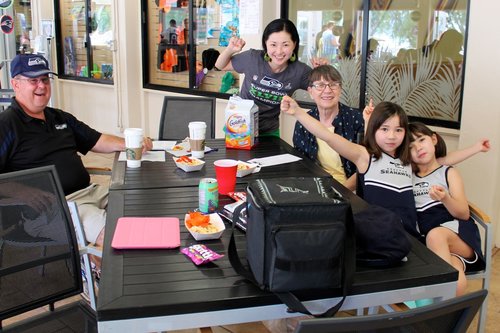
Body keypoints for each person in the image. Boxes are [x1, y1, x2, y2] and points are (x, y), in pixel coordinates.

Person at [0, 54, 152, 262]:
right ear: (15, 84)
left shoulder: (59, 117)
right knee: (114, 233)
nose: (41, 86)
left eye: (45, 79)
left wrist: (132, 143)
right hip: (52, 208)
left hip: (90, 192)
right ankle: (102, 283)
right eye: (33, 80)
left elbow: (96, 140)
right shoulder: (7, 124)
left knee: (140, 204)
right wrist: (21, 191)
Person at [283, 98, 422, 237]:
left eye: (398, 130)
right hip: (380, 234)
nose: (391, 136)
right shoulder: (365, 156)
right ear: (375, 129)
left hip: (410, 236)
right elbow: (328, 136)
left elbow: (439, 156)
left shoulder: (408, 159)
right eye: (384, 129)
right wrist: (298, 112)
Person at [409, 122, 488, 295]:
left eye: (421, 140)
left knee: (436, 236)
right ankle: (449, 318)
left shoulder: (447, 172)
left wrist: (445, 198)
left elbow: (463, 213)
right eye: (411, 147)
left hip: (457, 235)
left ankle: (434, 305)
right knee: (455, 279)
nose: (418, 148)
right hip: (432, 246)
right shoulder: (408, 176)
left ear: (434, 139)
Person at [214, 18, 324, 137]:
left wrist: (322, 72)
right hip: (239, 125)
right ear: (265, 44)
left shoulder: (300, 71)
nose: (279, 51)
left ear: (294, 44)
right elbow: (221, 65)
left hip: (269, 132)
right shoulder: (252, 59)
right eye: (273, 45)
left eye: (285, 45)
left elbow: (322, 91)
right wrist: (230, 50)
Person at [292, 65, 368, 189]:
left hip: (351, 190)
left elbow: (365, 166)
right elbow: (303, 165)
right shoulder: (304, 122)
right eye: (320, 85)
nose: (327, 90)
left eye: (333, 84)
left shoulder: (357, 120)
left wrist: (340, 192)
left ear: (340, 89)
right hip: (316, 188)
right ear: (310, 92)